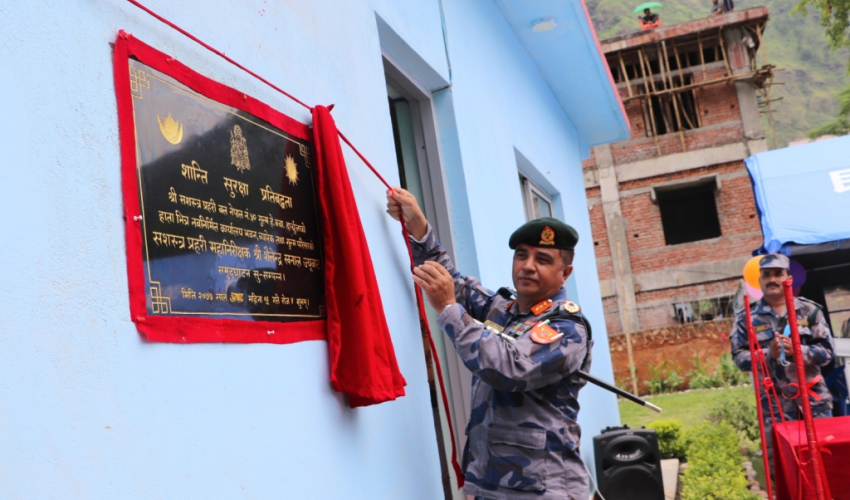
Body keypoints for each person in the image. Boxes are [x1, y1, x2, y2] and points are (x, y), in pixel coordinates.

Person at [387, 187, 593, 500]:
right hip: (489, 484)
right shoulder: (503, 310)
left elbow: (510, 368)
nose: (527, 265)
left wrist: (450, 310)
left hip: (543, 489)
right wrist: (418, 226)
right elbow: (451, 280)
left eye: (543, 260)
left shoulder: (567, 327)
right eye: (522, 255)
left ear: (565, 273)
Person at [729, 253, 834, 476]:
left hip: (813, 400)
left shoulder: (810, 311)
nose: (772, 279)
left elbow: (827, 353)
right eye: (766, 275)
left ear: (789, 278)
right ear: (759, 281)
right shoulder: (746, 317)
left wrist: (799, 351)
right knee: (783, 468)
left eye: (778, 273)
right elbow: (738, 358)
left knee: (826, 460)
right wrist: (768, 355)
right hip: (774, 405)